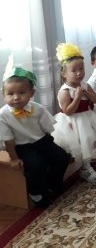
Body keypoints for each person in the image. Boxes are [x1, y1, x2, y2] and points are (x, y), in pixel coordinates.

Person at [52, 43, 96, 183]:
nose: (79, 73)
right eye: (74, 70)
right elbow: (68, 111)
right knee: (85, 141)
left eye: (81, 69)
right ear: (63, 73)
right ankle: (85, 167)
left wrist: (87, 93)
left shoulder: (85, 84)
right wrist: (77, 97)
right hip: (75, 121)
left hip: (91, 115)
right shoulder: (65, 91)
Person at [0, 62, 70, 207]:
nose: (16, 98)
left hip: (42, 140)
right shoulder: (3, 115)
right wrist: (14, 158)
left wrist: (49, 144)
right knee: (36, 165)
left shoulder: (38, 109)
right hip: (22, 146)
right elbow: (8, 139)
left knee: (61, 156)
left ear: (31, 93)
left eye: (22, 93)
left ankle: (53, 182)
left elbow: (48, 129)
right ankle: (36, 192)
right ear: (3, 94)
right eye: (10, 94)